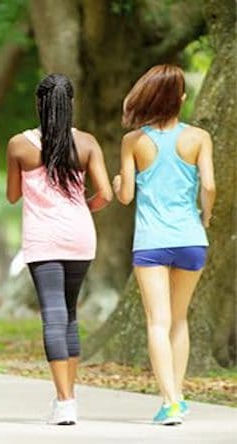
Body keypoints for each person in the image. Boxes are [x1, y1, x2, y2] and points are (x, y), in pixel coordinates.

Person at [6, 73, 112, 425]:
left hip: (43, 240)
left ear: (39, 104)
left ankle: (64, 401)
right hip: (81, 237)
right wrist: (84, 208)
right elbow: (105, 196)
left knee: (53, 314)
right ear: (71, 104)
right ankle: (70, 397)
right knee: (69, 314)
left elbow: (11, 195)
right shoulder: (86, 144)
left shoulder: (19, 145)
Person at [113, 64, 215, 425]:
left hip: (152, 242)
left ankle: (170, 402)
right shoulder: (199, 137)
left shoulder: (134, 141)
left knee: (157, 322)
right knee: (179, 319)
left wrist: (116, 185)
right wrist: (204, 217)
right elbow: (209, 187)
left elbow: (125, 196)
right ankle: (179, 396)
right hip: (191, 239)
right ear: (181, 99)